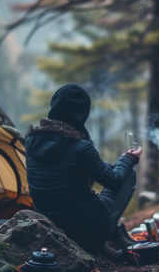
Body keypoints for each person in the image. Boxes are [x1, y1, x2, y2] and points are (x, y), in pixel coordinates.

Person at [25, 84, 141, 258]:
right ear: (82, 113)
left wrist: (117, 164)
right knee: (128, 175)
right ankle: (102, 241)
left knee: (77, 209)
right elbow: (114, 180)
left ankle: (106, 247)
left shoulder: (32, 142)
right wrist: (129, 159)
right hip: (86, 233)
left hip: (51, 231)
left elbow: (76, 169)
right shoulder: (80, 147)